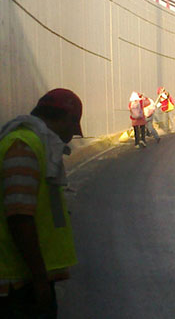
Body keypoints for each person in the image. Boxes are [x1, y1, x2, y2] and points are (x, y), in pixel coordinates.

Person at [0, 88, 81, 318]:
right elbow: (19, 217)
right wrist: (39, 279)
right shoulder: (23, 147)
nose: (71, 136)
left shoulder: (36, 146)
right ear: (68, 120)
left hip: (26, 279)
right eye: (73, 129)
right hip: (16, 285)